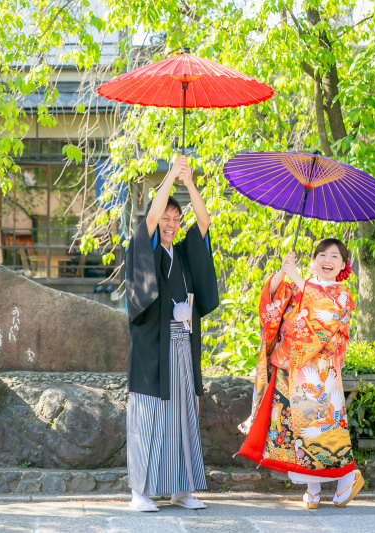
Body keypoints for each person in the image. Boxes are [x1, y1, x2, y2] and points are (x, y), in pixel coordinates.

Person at [237, 238, 364, 508]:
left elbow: (322, 314)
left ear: (343, 265)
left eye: (335, 256)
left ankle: (347, 477)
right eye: (322, 255)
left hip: (320, 372)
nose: (327, 261)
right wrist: (284, 272)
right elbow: (272, 304)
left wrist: (297, 278)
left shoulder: (340, 294)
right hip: (290, 367)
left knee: (324, 430)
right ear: (314, 259)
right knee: (300, 433)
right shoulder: (299, 283)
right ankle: (313, 488)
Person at [124, 155, 219, 512]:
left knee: (182, 417)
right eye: (166, 217)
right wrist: (170, 177)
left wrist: (190, 183)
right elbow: (149, 217)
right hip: (152, 351)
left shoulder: (182, 253)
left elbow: (205, 223)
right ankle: (140, 492)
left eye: (176, 219)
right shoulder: (145, 247)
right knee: (148, 418)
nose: (170, 223)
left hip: (182, 346)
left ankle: (181, 489)